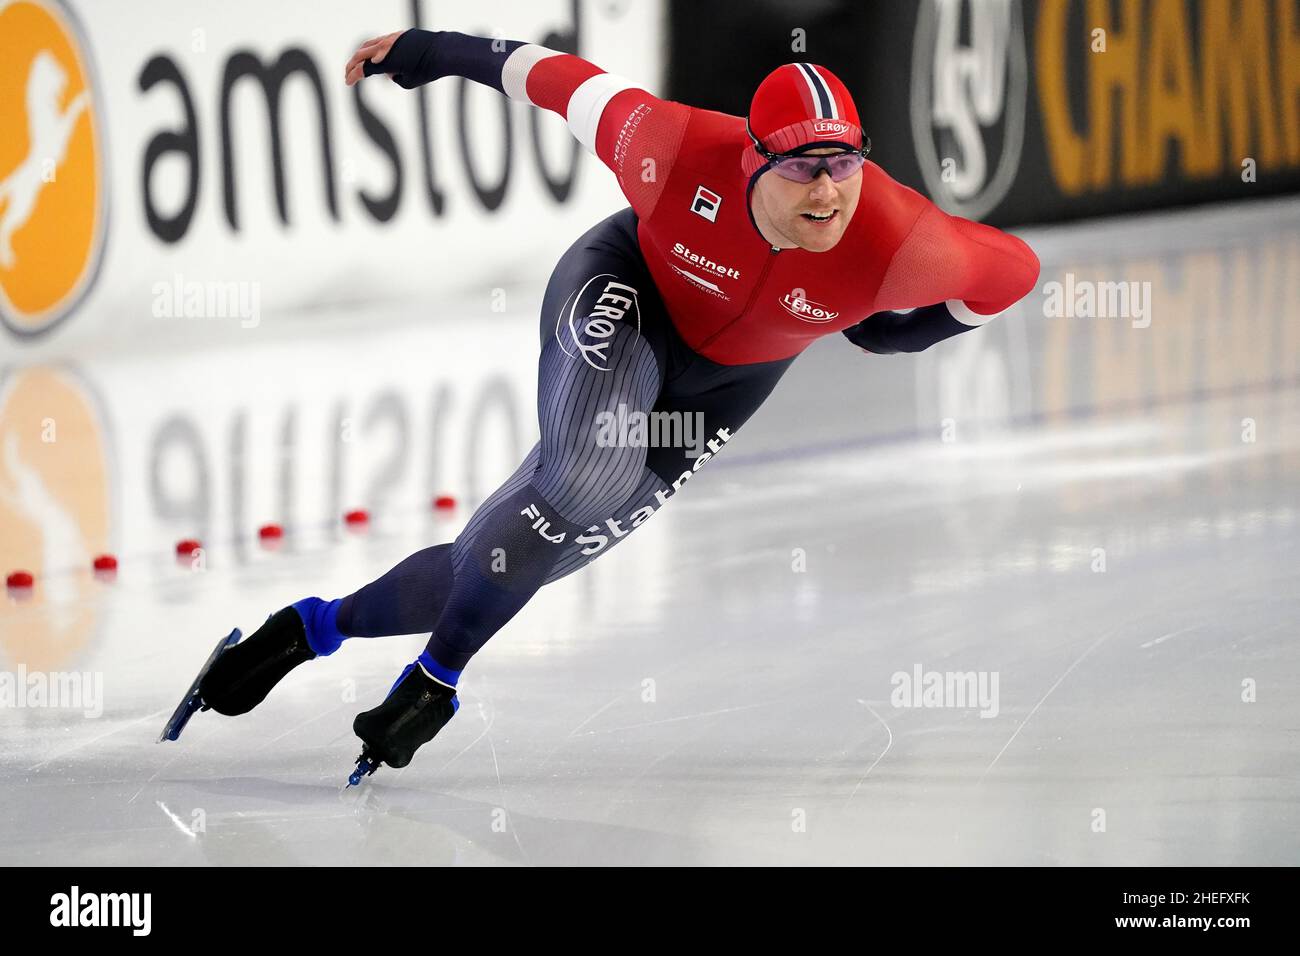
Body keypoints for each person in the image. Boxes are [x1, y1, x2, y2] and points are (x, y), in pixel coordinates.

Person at [193, 29, 1040, 780]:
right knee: (587, 473)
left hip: (722, 392)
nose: (828, 192)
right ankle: (435, 684)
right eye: (803, 167)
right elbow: (553, 77)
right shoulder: (670, 146)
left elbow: (1013, 271)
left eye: (844, 164)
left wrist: (908, 334)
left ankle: (308, 629)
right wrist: (424, 52)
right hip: (624, 292)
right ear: (753, 158)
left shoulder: (901, 239)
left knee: (521, 552)